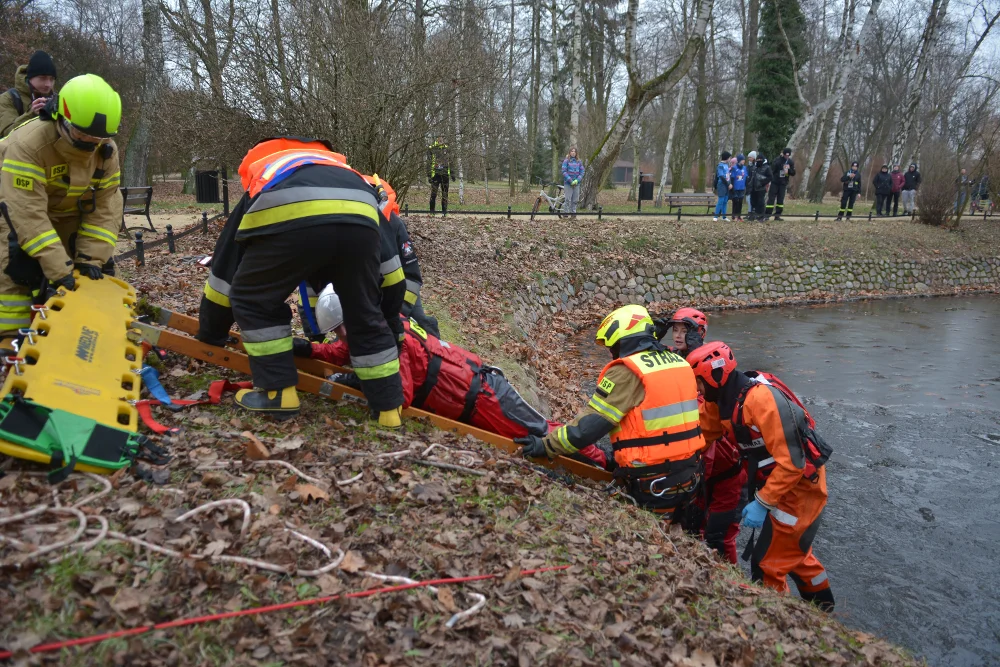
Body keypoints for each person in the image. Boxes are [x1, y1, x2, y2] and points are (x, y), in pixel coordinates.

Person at [298, 287, 609, 468]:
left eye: (342, 327)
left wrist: (360, 382)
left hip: (487, 396)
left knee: (543, 434)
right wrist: (309, 351)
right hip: (471, 396)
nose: (340, 336)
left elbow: (400, 396)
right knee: (538, 432)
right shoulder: (373, 330)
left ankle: (603, 460)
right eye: (336, 330)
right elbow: (343, 353)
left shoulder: (388, 339)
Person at [207, 137, 404, 423]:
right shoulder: (350, 176)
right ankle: (389, 411)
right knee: (364, 311)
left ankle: (277, 394)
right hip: (361, 218)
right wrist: (391, 324)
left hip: (290, 215)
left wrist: (211, 332)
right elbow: (393, 273)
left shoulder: (266, 173)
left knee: (254, 298)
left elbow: (225, 271)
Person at [516, 304, 707, 521]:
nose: (610, 352)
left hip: (653, 483)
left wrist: (546, 445)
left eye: (612, 345)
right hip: (689, 476)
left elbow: (588, 428)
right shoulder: (679, 363)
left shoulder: (627, 371)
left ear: (624, 341)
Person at [689, 342, 834, 610]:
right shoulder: (718, 402)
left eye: (697, 383)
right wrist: (672, 459)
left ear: (714, 376)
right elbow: (702, 435)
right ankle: (825, 611)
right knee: (794, 554)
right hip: (775, 483)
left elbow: (793, 463)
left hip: (801, 489)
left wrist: (763, 502)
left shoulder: (761, 401)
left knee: (767, 564)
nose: (696, 390)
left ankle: (779, 618)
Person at [0, 74, 122, 339]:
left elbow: (106, 206)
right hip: (8, 209)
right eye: (83, 134)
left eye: (98, 138)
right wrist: (59, 270)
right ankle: (11, 348)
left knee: (94, 278)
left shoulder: (106, 149)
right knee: (14, 275)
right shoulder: (28, 145)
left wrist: (90, 259)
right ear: (62, 118)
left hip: (63, 213)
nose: (91, 143)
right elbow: (26, 214)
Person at [0, 50, 57, 138]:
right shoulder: (8, 99)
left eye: (51, 79)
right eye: (42, 78)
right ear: (29, 78)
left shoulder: (56, 98)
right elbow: (6, 135)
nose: (48, 84)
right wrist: (32, 114)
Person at [764, 148, 795, 220]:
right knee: (771, 199)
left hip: (783, 183)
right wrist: (781, 163)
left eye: (788, 155)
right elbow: (773, 169)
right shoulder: (777, 160)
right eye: (785, 155)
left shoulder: (790, 162)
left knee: (780, 200)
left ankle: (777, 215)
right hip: (775, 182)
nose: (787, 157)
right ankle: (767, 215)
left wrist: (789, 170)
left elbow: (793, 172)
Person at [427, 136, 450, 216]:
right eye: (439, 138)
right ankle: (432, 212)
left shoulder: (447, 148)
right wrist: (429, 175)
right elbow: (428, 162)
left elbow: (451, 161)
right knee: (433, 194)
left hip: (445, 175)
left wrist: (452, 173)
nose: (441, 139)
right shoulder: (432, 148)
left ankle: (444, 212)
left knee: (445, 194)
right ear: (436, 139)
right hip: (435, 174)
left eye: (442, 138)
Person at [561, 147, 585, 217]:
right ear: (569, 152)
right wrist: (570, 180)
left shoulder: (579, 161)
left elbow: (582, 171)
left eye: (574, 151)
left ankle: (573, 215)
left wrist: (577, 180)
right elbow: (564, 171)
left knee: (575, 200)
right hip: (568, 184)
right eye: (572, 151)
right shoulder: (566, 161)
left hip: (576, 184)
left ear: (576, 153)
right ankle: (565, 214)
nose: (573, 153)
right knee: (567, 200)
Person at [747, 154, 771, 222]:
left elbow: (770, 177)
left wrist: (762, 183)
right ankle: (753, 215)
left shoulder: (767, 167)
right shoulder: (755, 168)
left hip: (761, 188)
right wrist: (750, 185)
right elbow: (752, 177)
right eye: (757, 160)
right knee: (753, 202)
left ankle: (761, 216)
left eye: (760, 160)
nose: (758, 161)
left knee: (760, 202)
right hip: (754, 188)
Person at [713, 151, 732, 221]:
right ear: (726, 158)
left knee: (725, 201)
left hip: (727, 185)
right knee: (720, 201)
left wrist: (730, 183)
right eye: (729, 158)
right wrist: (728, 184)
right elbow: (721, 176)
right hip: (722, 185)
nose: (730, 159)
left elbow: (728, 176)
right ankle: (716, 216)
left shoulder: (727, 165)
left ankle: (724, 216)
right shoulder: (720, 166)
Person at [730, 155, 748, 222]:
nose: (744, 161)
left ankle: (739, 216)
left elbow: (746, 177)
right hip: (735, 188)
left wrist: (746, 185)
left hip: (742, 188)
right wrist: (732, 187)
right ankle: (733, 215)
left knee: (740, 202)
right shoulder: (734, 168)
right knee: (735, 201)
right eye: (742, 160)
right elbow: (732, 178)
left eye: (744, 160)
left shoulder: (745, 168)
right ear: (739, 160)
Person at [745, 151, 758, 216]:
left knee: (751, 199)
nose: (749, 158)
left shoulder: (755, 166)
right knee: (748, 199)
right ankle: (749, 212)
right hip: (748, 185)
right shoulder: (748, 166)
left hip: (752, 185)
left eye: (750, 157)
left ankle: (752, 212)